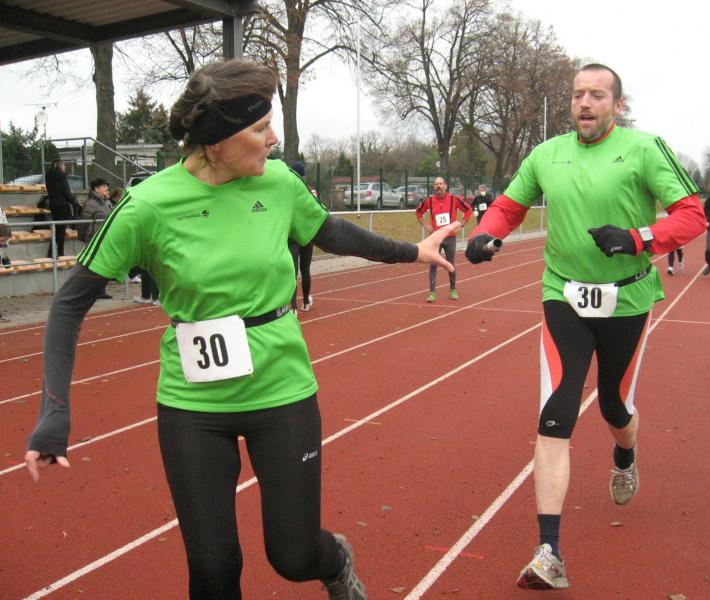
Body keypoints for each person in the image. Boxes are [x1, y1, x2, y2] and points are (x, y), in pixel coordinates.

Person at [24, 58, 459, 600]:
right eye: (260, 128)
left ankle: (335, 561)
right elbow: (68, 306)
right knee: (212, 568)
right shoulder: (147, 206)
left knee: (293, 556)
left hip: (282, 392)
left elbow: (332, 233)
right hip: (193, 405)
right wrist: (54, 414)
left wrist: (411, 251)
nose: (274, 139)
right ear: (216, 139)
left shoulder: (278, 183)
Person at [465, 63, 706, 590]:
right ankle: (549, 552)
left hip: (627, 300)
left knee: (615, 406)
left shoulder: (644, 149)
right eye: (577, 95)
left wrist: (637, 238)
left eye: (597, 95)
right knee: (556, 412)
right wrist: (486, 233)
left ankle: (625, 454)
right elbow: (508, 206)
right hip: (564, 297)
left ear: (617, 105)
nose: (585, 103)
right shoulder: (546, 154)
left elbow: (692, 215)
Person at [415, 176, 471, 302]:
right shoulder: (429, 201)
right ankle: (432, 293)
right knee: (433, 264)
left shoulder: (454, 200)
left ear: (445, 186)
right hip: (435, 238)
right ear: (433, 187)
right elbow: (418, 212)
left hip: (450, 238)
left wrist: (461, 225)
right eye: (436, 184)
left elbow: (468, 210)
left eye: (440, 184)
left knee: (450, 264)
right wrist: (426, 226)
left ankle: (453, 290)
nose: (438, 186)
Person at [78, 178, 114, 299]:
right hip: (94, 238)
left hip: (103, 238)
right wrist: (84, 238)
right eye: (104, 186)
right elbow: (83, 222)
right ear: (96, 189)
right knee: (94, 266)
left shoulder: (103, 202)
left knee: (101, 266)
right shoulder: (90, 203)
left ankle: (99, 291)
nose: (107, 189)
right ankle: (93, 291)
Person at [288, 160, 315, 312]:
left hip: (292, 236)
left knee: (292, 272)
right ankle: (305, 302)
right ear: (303, 175)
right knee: (305, 270)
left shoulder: (287, 191)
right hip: (307, 234)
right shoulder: (310, 191)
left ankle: (293, 308)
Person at [44, 159, 80, 258]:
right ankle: (59, 252)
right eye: (64, 165)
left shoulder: (48, 175)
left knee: (57, 229)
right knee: (61, 230)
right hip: (62, 205)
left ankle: (52, 252)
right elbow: (65, 190)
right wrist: (73, 201)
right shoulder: (60, 175)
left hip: (53, 204)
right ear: (60, 165)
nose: (65, 167)